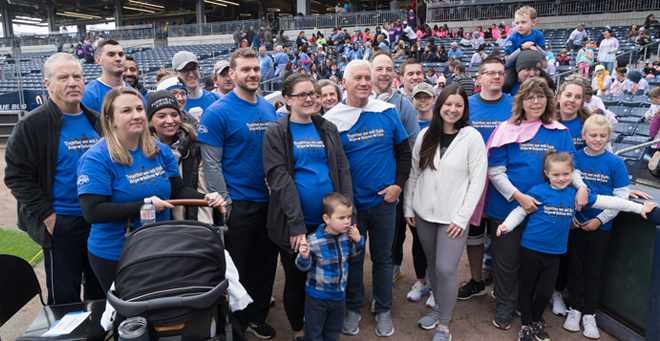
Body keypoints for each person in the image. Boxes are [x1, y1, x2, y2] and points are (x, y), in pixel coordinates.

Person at [77, 86, 224, 293]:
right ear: (110, 119)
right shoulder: (96, 158)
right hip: (115, 252)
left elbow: (178, 191)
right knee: (130, 314)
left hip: (157, 245)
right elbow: (92, 212)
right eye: (127, 111)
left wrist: (206, 198)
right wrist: (145, 205)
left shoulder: (159, 150)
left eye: (139, 109)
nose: (136, 115)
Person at [496, 151, 655, 341]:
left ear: (572, 174)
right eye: (555, 174)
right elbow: (520, 212)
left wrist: (639, 208)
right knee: (528, 288)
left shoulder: (576, 195)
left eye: (566, 174)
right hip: (531, 249)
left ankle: (537, 320)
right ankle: (526, 325)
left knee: (546, 292)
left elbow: (609, 201)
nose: (561, 178)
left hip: (555, 253)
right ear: (546, 173)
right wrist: (507, 225)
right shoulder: (537, 191)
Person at [486, 77, 588, 330]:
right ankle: (504, 307)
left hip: (546, 214)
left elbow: (570, 168)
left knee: (531, 265)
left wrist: (582, 186)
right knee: (506, 262)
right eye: (530, 96)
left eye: (541, 96)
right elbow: (495, 171)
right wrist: (519, 196)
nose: (536, 101)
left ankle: (525, 305)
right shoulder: (507, 128)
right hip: (508, 207)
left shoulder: (559, 131)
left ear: (548, 100)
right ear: (521, 101)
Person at [4, 53, 104, 305]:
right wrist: (49, 218)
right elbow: (17, 177)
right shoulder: (32, 124)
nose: (72, 82)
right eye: (63, 77)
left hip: (99, 220)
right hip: (63, 224)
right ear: (47, 85)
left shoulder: (96, 119)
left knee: (101, 291)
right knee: (65, 299)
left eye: (77, 76)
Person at [263, 74, 354, 340]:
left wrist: (349, 214)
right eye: (301, 95)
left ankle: (326, 326)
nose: (309, 99)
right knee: (297, 278)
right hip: (294, 222)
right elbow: (279, 179)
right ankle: (299, 331)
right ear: (287, 99)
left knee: (327, 276)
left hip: (329, 223)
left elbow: (342, 170)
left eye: (312, 93)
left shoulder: (327, 127)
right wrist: (297, 225)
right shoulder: (276, 132)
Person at [324, 60, 411, 337]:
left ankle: (383, 307)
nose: (364, 82)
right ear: (345, 83)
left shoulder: (387, 111)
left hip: (384, 203)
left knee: (383, 259)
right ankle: (353, 306)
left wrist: (398, 185)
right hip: (352, 208)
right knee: (352, 258)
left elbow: (404, 152)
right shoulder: (332, 120)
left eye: (367, 77)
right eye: (357, 78)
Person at [197, 48, 278, 339]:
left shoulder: (268, 107)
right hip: (238, 204)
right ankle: (234, 322)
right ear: (232, 74)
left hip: (269, 202)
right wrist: (227, 204)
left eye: (256, 68)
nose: (253, 74)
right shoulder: (218, 111)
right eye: (245, 69)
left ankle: (255, 317)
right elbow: (211, 164)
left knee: (264, 264)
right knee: (236, 268)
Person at [404, 84, 487, 341]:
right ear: (439, 106)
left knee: (446, 269)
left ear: (464, 109)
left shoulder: (472, 137)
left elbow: (478, 181)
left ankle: (444, 326)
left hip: (453, 218)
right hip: (424, 215)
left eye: (458, 105)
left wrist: (462, 218)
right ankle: (439, 308)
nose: (452, 109)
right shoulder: (426, 134)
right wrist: (409, 206)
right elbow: (415, 174)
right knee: (432, 265)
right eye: (448, 104)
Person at [563, 114, 632, 338]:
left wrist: (600, 219)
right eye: (593, 135)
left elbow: (621, 196)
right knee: (573, 268)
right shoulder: (574, 158)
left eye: (603, 136)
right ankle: (574, 308)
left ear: (609, 137)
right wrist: (570, 214)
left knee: (593, 271)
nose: (597, 139)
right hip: (574, 225)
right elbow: (564, 188)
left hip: (600, 228)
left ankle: (589, 314)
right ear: (583, 135)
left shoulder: (615, 162)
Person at [458, 57, 513, 300]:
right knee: (474, 236)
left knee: (503, 237)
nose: (497, 77)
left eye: (500, 73)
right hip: (473, 181)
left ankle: (504, 289)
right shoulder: (466, 105)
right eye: (490, 72)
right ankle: (477, 281)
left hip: (504, 181)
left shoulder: (514, 105)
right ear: (479, 78)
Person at [295, 193, 363, 341]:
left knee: (333, 332)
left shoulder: (347, 236)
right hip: (317, 297)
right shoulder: (312, 241)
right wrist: (304, 257)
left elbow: (353, 255)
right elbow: (302, 268)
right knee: (313, 333)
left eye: (349, 217)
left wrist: (358, 241)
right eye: (341, 218)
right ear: (326, 219)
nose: (347, 222)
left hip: (339, 296)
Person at [146, 90, 212, 223]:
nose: (169, 121)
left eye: (174, 114)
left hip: (188, 220)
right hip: (154, 221)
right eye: (161, 116)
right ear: (150, 121)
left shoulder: (194, 146)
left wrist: (205, 226)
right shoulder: (140, 149)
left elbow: (201, 186)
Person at [82, 40, 145, 113]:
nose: (118, 58)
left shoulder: (137, 95)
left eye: (121, 54)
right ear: (98, 60)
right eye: (111, 55)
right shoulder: (87, 94)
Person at [503, 7, 547, 95]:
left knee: (549, 82)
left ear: (533, 22)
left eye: (523, 22)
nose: (519, 25)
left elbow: (543, 55)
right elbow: (508, 60)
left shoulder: (538, 35)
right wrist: (521, 49)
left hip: (533, 66)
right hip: (513, 67)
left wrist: (534, 45)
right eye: (517, 23)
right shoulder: (512, 38)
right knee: (506, 85)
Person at [172, 51, 219, 116]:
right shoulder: (173, 104)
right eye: (184, 71)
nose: (191, 74)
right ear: (175, 74)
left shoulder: (215, 98)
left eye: (194, 69)